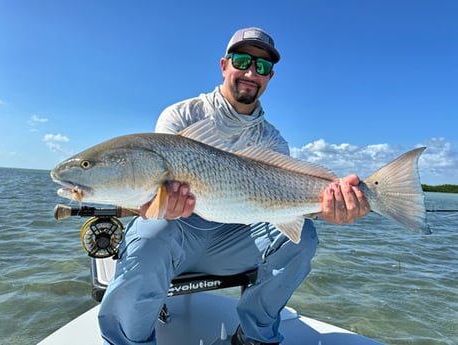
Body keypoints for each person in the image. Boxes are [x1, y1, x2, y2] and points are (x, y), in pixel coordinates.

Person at [98, 27, 370, 345]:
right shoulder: (181, 116)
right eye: (242, 60)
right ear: (224, 65)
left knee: (302, 238)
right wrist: (162, 203)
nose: (252, 72)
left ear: (270, 77)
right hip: (179, 234)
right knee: (149, 233)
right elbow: (155, 193)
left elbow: (282, 206)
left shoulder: (273, 140)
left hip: (233, 241)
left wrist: (329, 210)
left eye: (263, 66)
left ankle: (255, 336)